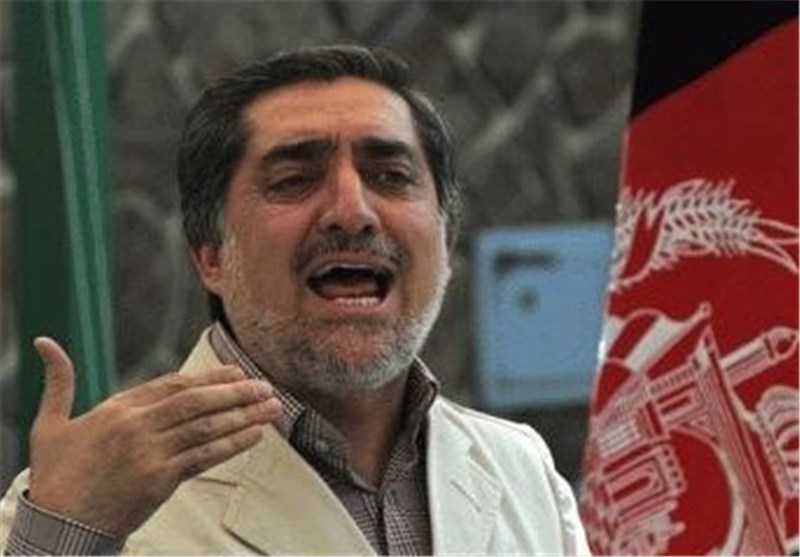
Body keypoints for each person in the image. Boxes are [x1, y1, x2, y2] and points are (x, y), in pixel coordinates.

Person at [0, 44, 589, 555]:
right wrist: (62, 538)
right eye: (294, 180)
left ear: (446, 241)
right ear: (211, 256)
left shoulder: (520, 470)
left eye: (391, 175)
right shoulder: (79, 508)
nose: (352, 212)